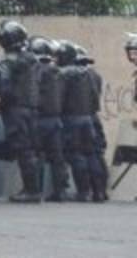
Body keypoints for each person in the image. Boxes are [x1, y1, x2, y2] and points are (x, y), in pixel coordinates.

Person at [0, 20, 43, 203]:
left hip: (16, 109)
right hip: (30, 109)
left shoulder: (11, 61)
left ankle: (31, 190)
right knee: (29, 150)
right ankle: (32, 188)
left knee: (23, 150)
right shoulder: (30, 58)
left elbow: (5, 87)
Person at [56, 41, 106, 202]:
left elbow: (59, 97)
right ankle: (99, 191)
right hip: (89, 118)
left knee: (76, 154)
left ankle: (84, 191)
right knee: (92, 154)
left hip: (71, 118)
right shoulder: (92, 74)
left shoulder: (64, 74)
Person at [29, 37, 70, 202]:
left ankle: (35, 189)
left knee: (36, 154)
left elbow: (33, 92)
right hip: (56, 119)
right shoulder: (58, 71)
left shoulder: (36, 70)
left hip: (40, 117)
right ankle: (60, 191)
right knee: (57, 157)